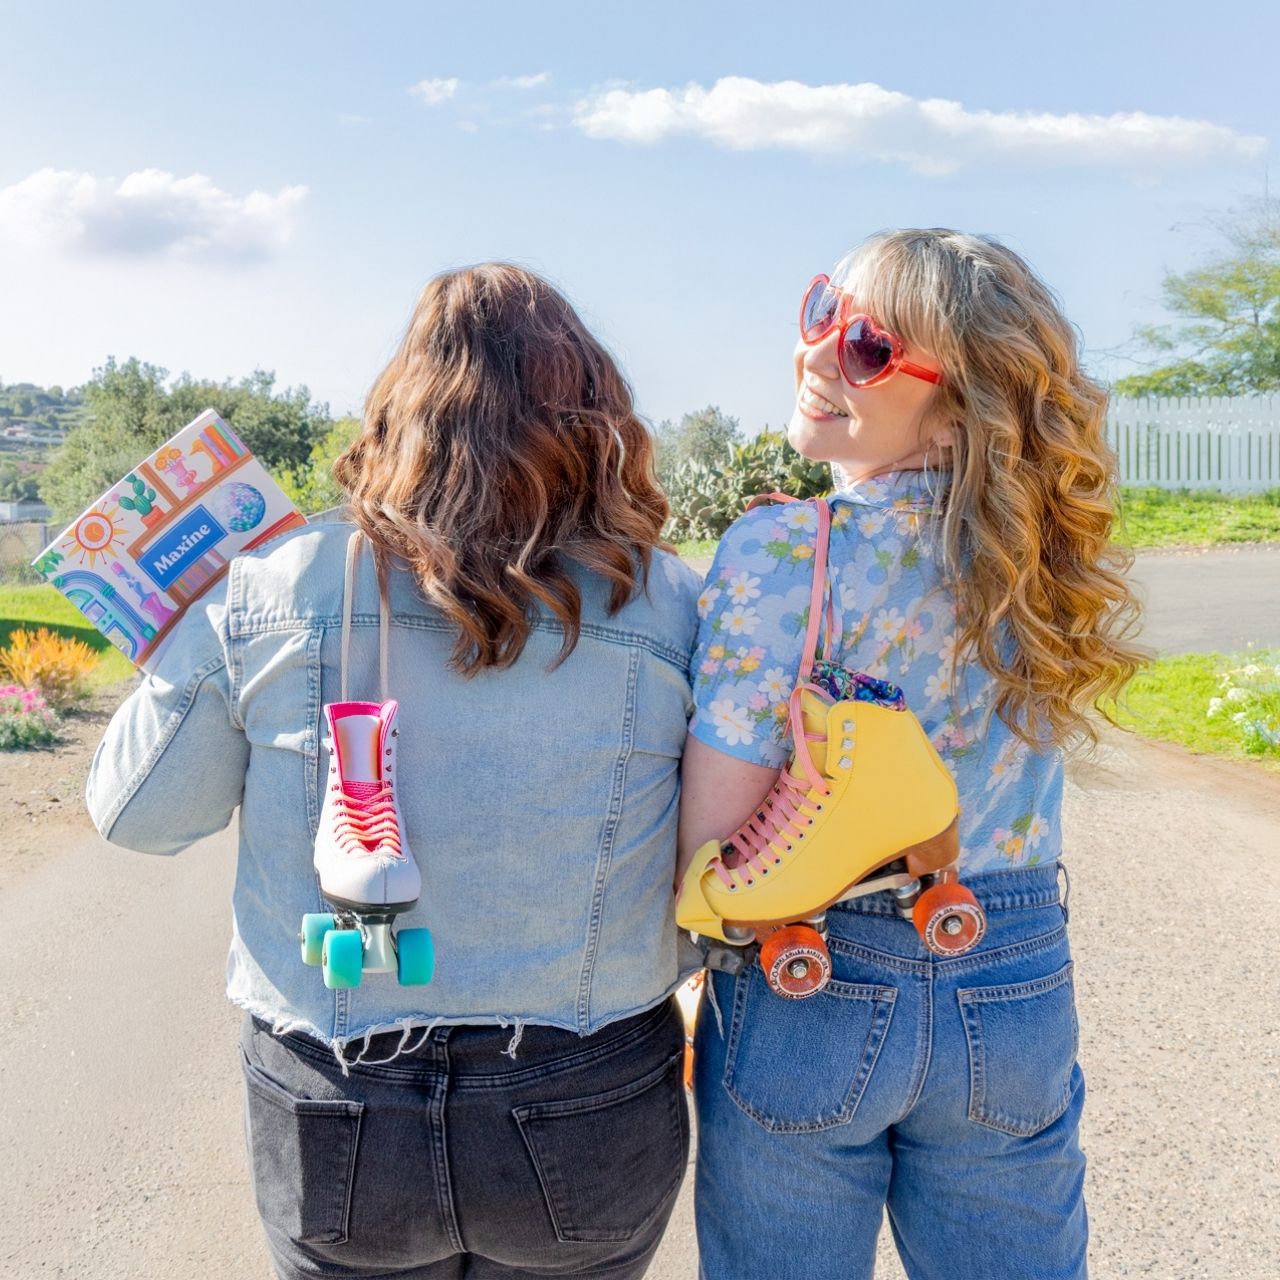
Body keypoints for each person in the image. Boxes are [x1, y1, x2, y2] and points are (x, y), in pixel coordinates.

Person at [85, 263, 702, 1280]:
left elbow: (141, 814)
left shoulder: (272, 585)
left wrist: (192, 625)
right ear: (594, 412)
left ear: (396, 409)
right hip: (585, 1088)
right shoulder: (670, 603)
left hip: (336, 1096)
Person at [676, 228, 1146, 1280]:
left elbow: (713, 838)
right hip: (1009, 963)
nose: (814, 352)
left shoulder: (787, 546)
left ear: (956, 399)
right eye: (817, 313)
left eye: (865, 347)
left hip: (809, 969)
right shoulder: (1038, 558)